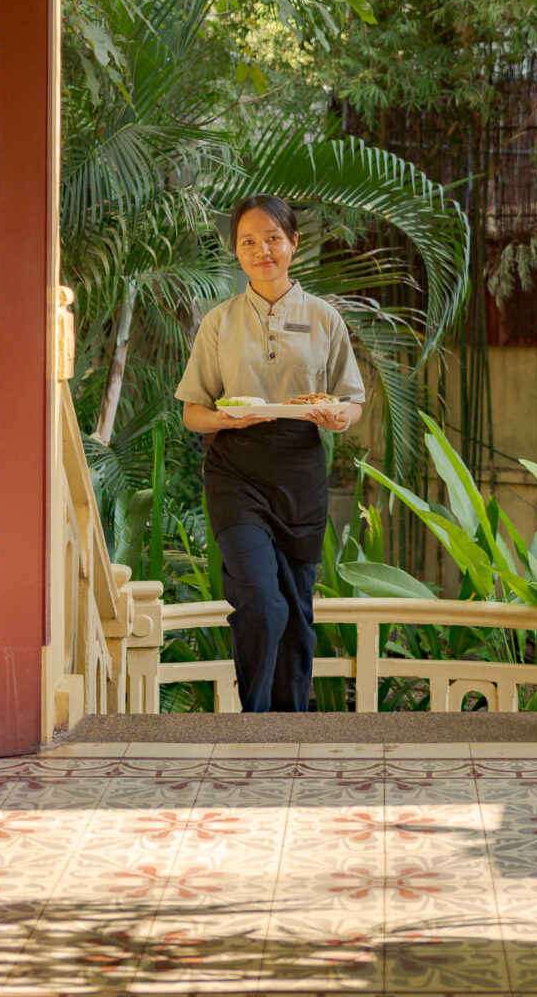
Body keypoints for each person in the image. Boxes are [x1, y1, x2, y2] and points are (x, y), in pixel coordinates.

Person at [176, 193, 364, 712]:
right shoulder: (220, 322)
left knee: (297, 615)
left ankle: (290, 736)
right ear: (236, 252)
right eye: (248, 242)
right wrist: (224, 418)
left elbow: (352, 404)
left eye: (273, 239)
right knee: (260, 602)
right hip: (236, 469)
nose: (262, 251)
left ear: (294, 244)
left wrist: (337, 416)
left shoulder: (324, 318)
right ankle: (253, 727)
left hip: (300, 471)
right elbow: (194, 411)